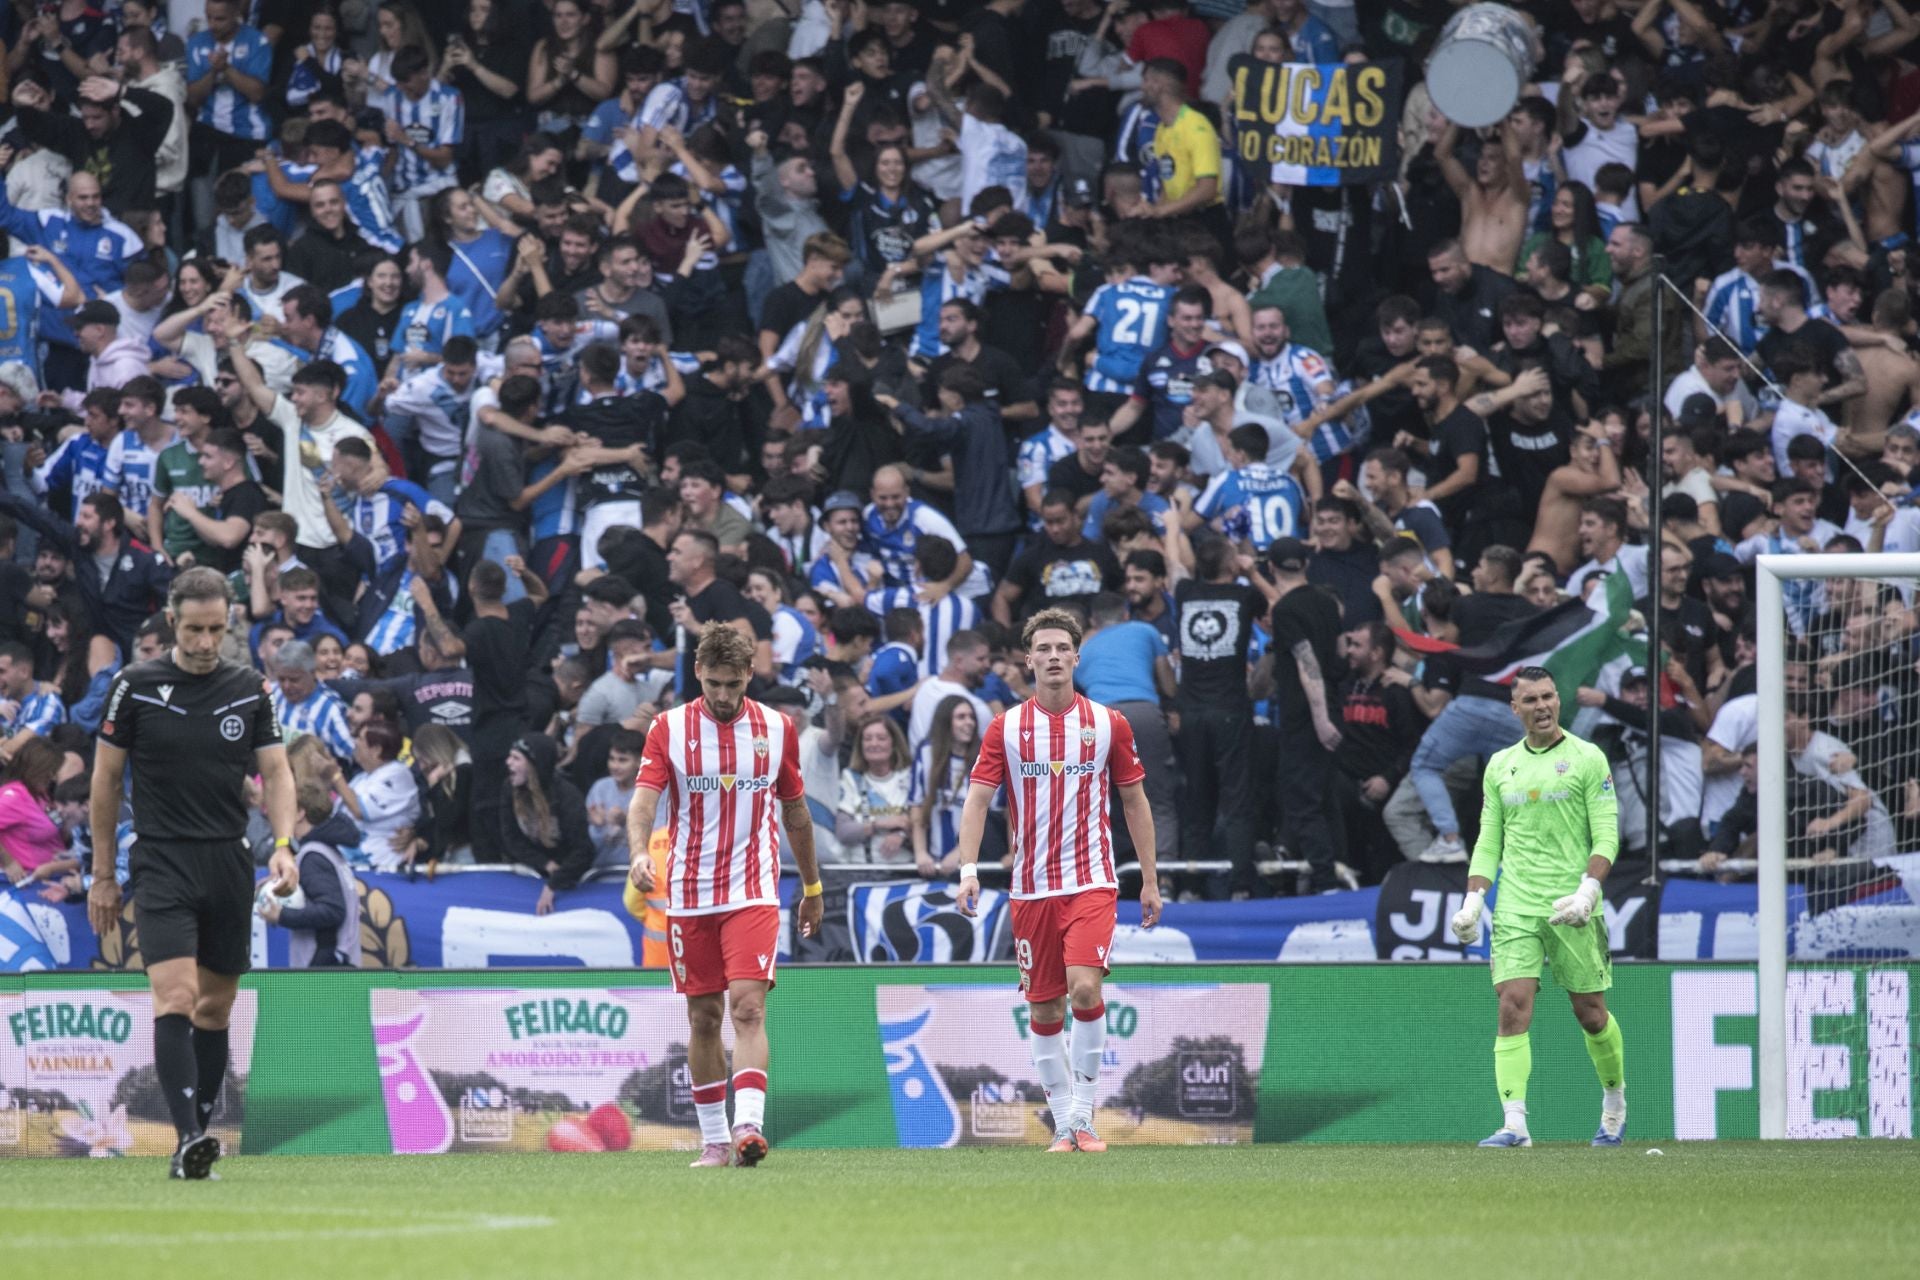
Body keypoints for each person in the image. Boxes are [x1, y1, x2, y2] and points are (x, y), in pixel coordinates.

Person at [88, 568, 297, 1180]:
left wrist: (284, 846)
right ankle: (186, 1140)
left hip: (228, 860)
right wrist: (103, 873)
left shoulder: (250, 688)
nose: (206, 643)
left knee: (215, 1008)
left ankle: (198, 1140)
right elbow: (105, 779)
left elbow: (277, 772)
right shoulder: (134, 686)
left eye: (216, 630)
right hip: (161, 859)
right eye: (194, 630)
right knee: (176, 996)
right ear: (172, 622)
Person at [952, 607, 1161, 1153]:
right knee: (1044, 1010)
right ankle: (1065, 1124)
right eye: (1042, 649)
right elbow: (977, 801)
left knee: (1085, 988)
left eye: (1061, 648)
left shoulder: (1109, 724)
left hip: (1091, 881)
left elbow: (1135, 801)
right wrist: (969, 870)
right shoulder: (1006, 728)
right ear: (1028, 659)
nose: (1052, 657)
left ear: (1076, 657)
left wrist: (1150, 879)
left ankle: (1083, 1116)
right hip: (1030, 889)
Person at [626, 623, 824, 1168]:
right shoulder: (668, 729)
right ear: (697, 673)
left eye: (733, 684)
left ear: (749, 676)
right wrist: (639, 852)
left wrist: (812, 886)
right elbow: (643, 802)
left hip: (752, 890)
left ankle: (748, 1128)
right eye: (713, 683)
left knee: (748, 1007)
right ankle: (714, 1141)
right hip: (689, 894)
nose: (722, 695)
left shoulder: (777, 729)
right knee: (704, 1018)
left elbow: (796, 813)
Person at [1447, 667, 1626, 1150]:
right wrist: (1474, 899)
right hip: (1517, 905)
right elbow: (1490, 839)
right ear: (1515, 708)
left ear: (1558, 700)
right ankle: (1515, 1124)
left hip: (1573, 903)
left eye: (1548, 696)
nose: (1542, 706)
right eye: (1531, 700)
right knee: (1512, 1005)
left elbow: (1607, 835)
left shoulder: (1587, 758)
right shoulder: (1500, 765)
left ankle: (1614, 1101)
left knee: (1591, 1014)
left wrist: (1588, 892)